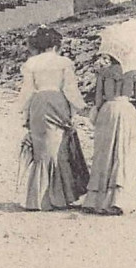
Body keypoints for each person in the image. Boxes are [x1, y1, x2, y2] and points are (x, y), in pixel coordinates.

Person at [18, 26, 89, 211]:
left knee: (42, 150)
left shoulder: (31, 63)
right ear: (56, 45)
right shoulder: (64, 62)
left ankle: (37, 199)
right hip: (57, 101)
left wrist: (24, 112)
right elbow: (69, 88)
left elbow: (27, 91)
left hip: (39, 103)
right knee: (59, 147)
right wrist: (79, 108)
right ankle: (60, 197)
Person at [83, 57, 136, 216]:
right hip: (126, 111)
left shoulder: (103, 72)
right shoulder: (134, 74)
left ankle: (95, 200)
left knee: (104, 152)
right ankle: (118, 200)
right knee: (123, 153)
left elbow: (97, 101)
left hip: (108, 110)